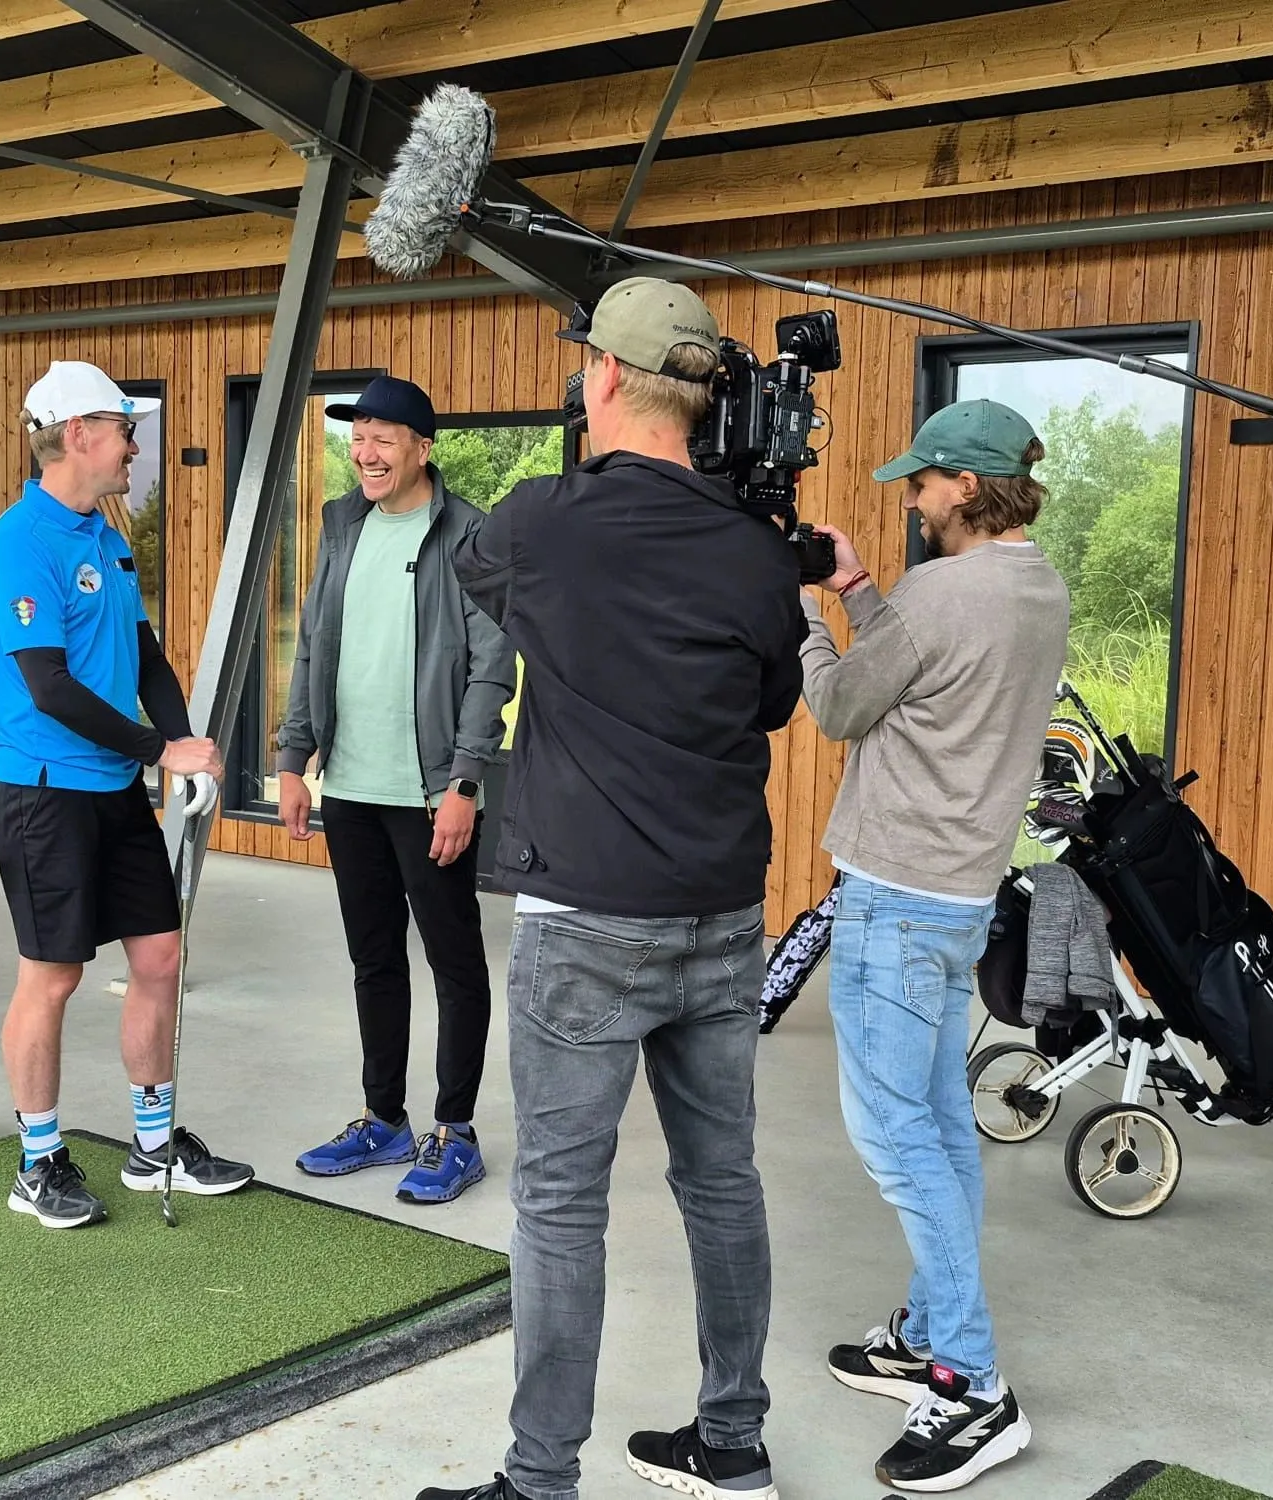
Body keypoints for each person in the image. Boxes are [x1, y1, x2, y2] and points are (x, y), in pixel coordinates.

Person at [417, 278, 807, 1500]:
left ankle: (540, 1480)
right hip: (722, 915)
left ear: (597, 382)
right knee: (721, 1180)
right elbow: (773, 702)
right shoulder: (754, 549)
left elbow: (479, 572)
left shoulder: (540, 524)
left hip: (585, 922)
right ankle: (732, 1443)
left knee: (556, 1201)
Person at [799, 399, 1068, 1492]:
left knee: (894, 1137)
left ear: (965, 487)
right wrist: (857, 585)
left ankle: (969, 1384)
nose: (909, 499)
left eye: (920, 484)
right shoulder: (1034, 583)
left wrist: (805, 615)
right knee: (940, 1125)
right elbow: (927, 667)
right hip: (956, 895)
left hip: (896, 900)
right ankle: (922, 1329)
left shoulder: (937, 589)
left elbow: (837, 705)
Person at [0, 359, 252, 1230]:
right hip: (42, 794)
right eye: (125, 429)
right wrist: (160, 749)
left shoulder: (108, 535)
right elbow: (51, 687)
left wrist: (189, 750)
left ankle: (152, 1144)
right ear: (80, 435)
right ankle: (38, 1162)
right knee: (53, 976)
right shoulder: (18, 541)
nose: (136, 445)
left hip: (114, 791)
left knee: (161, 958)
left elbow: (147, 658)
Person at [275, 375, 516, 1205]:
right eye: (357, 435)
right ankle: (384, 1119)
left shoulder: (469, 532)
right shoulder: (342, 524)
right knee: (372, 958)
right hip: (348, 784)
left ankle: (457, 1130)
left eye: (383, 436)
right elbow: (313, 639)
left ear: (422, 446)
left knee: (454, 961)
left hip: (428, 792)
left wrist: (463, 781)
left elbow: (494, 664)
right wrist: (292, 757)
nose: (365, 451)